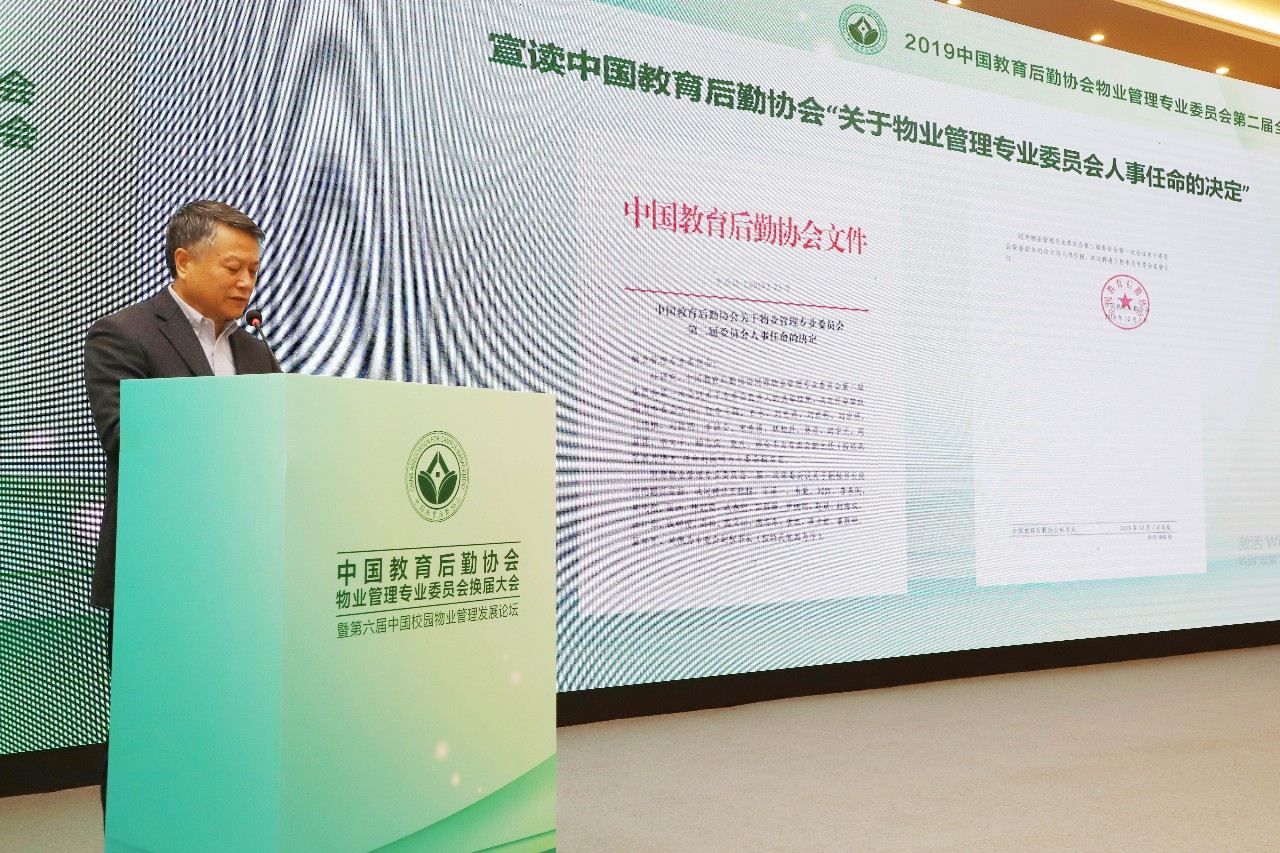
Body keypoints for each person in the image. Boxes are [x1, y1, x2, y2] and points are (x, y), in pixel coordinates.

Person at [83, 200, 282, 813]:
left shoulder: (255, 353)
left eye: (253, 270)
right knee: (149, 728)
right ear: (184, 261)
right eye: (233, 267)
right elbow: (127, 437)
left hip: (245, 575)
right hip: (162, 574)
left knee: (230, 723)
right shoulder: (127, 334)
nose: (246, 282)